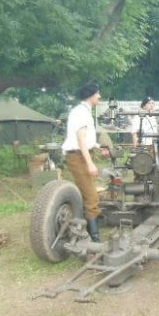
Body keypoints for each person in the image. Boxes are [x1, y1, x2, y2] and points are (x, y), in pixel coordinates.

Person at [61, 83, 102, 242]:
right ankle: (95, 240)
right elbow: (80, 138)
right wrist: (90, 164)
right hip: (78, 157)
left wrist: (97, 146)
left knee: (86, 194)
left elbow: (85, 139)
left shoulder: (83, 111)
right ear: (91, 95)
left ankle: (84, 230)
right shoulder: (81, 112)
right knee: (92, 198)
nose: (100, 96)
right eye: (98, 94)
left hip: (80, 154)